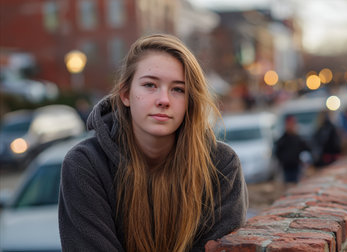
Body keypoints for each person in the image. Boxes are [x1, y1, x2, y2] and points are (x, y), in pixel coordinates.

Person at [58, 34, 248, 252]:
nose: (164, 100)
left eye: (178, 89)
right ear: (126, 94)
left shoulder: (221, 165)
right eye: (150, 85)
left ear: (190, 101)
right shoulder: (86, 165)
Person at [274, 115, 310, 184]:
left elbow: (307, 150)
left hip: (297, 167)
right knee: (288, 185)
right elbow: (277, 153)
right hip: (286, 167)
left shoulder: (299, 139)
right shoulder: (282, 140)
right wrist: (283, 160)